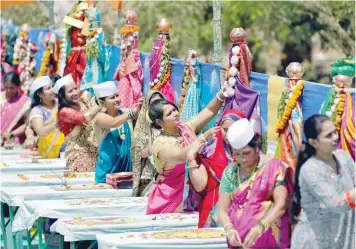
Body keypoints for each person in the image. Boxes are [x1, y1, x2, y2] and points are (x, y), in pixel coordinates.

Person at [146, 87, 227, 214]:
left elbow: (209, 110)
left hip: (196, 186)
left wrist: (222, 95)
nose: (175, 114)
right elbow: (181, 155)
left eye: (174, 109)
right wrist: (203, 137)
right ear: (159, 122)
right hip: (172, 197)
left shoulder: (186, 128)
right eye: (169, 114)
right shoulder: (160, 144)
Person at [218, 118, 293, 249]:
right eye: (237, 154)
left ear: (256, 147)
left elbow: (281, 205)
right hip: (238, 242)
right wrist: (229, 229)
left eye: (246, 153)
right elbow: (222, 210)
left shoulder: (275, 168)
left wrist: (260, 228)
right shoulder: (230, 171)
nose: (242, 159)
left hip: (269, 239)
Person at [290, 114, 355, 249]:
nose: (335, 138)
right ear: (313, 142)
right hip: (315, 242)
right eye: (328, 135)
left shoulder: (343, 156)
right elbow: (338, 203)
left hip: (342, 237)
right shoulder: (310, 170)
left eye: (335, 132)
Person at [184, 109, 246, 228]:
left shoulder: (252, 154)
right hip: (212, 213)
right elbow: (199, 185)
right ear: (219, 128)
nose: (229, 134)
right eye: (225, 130)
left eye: (233, 130)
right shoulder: (210, 152)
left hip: (241, 211)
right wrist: (191, 158)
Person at [92, 81, 143, 183]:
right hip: (108, 170)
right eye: (112, 98)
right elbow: (114, 122)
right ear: (102, 103)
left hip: (127, 170)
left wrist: (143, 106)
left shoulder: (125, 113)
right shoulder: (99, 117)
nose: (117, 99)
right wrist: (134, 111)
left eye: (117, 96)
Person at [57, 74, 101, 172]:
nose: (75, 93)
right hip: (79, 155)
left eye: (75, 89)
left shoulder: (81, 103)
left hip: (94, 152)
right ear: (62, 95)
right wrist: (100, 104)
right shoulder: (64, 111)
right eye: (70, 91)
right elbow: (85, 117)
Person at [132, 90, 165, 197]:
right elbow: (136, 153)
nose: (157, 106)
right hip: (149, 175)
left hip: (169, 172)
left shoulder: (169, 121)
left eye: (160, 102)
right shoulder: (142, 127)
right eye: (153, 104)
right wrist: (153, 149)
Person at [28, 76, 64, 158]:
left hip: (66, 150)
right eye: (48, 88)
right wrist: (57, 123)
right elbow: (41, 132)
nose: (52, 90)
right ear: (39, 94)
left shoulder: (62, 103)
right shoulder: (37, 111)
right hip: (48, 153)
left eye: (52, 87)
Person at [114, 10, 143, 108]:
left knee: (132, 87)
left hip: (131, 64)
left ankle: (130, 109)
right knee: (124, 87)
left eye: (128, 20)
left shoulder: (133, 33)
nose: (127, 23)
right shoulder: (127, 32)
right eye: (126, 20)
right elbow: (124, 49)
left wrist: (128, 60)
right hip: (125, 63)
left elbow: (130, 49)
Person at [1, 72, 31, 145]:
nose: (8, 90)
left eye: (12, 88)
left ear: (18, 86)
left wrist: (11, 134)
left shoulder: (25, 102)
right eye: (6, 87)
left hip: (13, 141)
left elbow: (27, 124)